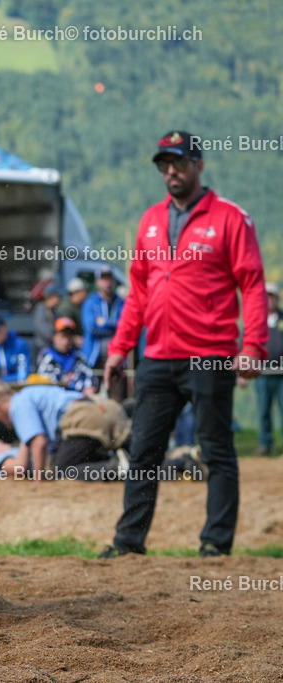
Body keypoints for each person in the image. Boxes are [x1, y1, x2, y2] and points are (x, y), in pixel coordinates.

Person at [101, 130, 268, 559]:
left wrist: (254, 347)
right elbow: (137, 290)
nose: (170, 171)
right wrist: (120, 347)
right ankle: (128, 544)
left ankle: (215, 544)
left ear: (198, 164)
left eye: (177, 162)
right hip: (156, 356)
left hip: (210, 356)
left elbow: (252, 285)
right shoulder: (150, 220)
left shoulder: (231, 218)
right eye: (163, 164)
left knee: (216, 451)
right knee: (143, 452)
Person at [0, 380, 129, 480]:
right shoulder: (28, 393)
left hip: (84, 417)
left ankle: (117, 467)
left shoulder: (17, 406)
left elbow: (39, 442)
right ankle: (121, 457)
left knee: (63, 470)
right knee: (74, 456)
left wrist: (39, 481)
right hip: (106, 407)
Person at [82, 267, 124, 397]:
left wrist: (104, 322)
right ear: (97, 282)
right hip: (93, 358)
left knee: (117, 398)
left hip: (116, 357)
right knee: (90, 396)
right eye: (103, 279)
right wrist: (114, 326)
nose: (107, 282)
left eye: (110, 278)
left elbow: (125, 326)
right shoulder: (90, 302)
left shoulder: (121, 302)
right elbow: (92, 327)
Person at [254, 282, 283, 456]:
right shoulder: (256, 320)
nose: (269, 300)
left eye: (271, 296)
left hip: (282, 373)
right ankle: (265, 444)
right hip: (262, 373)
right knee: (263, 410)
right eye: (266, 296)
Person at [35, 318, 96, 393]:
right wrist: (70, 382)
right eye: (62, 336)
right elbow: (47, 384)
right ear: (54, 337)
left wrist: (68, 382)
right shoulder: (47, 356)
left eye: (69, 337)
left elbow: (91, 381)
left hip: (77, 401)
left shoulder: (78, 357)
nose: (65, 342)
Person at [32, 283, 63, 358]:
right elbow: (46, 331)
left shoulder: (55, 312)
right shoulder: (41, 309)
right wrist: (58, 336)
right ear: (51, 297)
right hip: (42, 348)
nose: (60, 300)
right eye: (58, 297)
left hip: (52, 347)